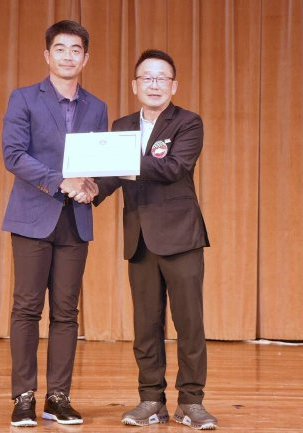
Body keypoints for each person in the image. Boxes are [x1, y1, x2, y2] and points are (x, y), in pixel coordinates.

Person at [95, 49, 217, 430]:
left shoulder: (188, 122)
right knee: (145, 325)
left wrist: (123, 161)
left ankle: (191, 402)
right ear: (134, 85)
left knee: (189, 323)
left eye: (161, 78)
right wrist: (89, 188)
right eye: (146, 77)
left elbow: (174, 167)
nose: (154, 84)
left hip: (181, 237)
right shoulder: (122, 126)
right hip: (140, 240)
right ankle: (151, 399)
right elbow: (111, 175)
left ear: (173, 86)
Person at [1, 20, 107, 427]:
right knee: (27, 308)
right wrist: (59, 181)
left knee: (66, 312)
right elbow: (13, 155)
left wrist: (92, 185)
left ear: (85, 58)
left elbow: (96, 163)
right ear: (47, 55)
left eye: (75, 49)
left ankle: (58, 397)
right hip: (33, 216)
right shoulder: (24, 98)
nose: (68, 56)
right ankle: (23, 396)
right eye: (60, 49)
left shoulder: (96, 107)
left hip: (75, 220)